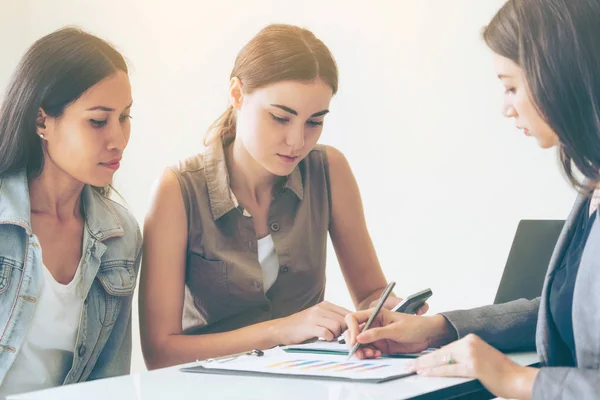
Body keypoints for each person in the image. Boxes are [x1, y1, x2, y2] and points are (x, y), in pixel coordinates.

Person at [345, 0, 600, 398]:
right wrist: (439, 328)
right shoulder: (592, 191)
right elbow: (562, 313)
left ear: (560, 74)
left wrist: (516, 379)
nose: (505, 107)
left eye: (511, 86)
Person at [139, 23, 425, 369]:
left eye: (314, 122)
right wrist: (280, 330)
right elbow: (159, 352)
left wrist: (389, 312)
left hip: (309, 380)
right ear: (237, 94)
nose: (297, 141)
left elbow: (369, 294)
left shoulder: (329, 169)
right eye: (280, 118)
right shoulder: (178, 189)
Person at [0, 27, 142, 396]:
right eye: (98, 121)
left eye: (125, 118)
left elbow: (110, 378)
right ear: (41, 121)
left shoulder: (120, 235)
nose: (118, 140)